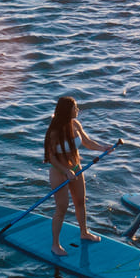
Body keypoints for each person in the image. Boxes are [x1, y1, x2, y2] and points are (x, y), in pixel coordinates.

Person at [42, 95, 106, 255]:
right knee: (61, 208)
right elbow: (51, 157)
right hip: (59, 172)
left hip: (76, 168)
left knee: (80, 202)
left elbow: (88, 142)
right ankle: (55, 245)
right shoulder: (54, 132)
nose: (77, 110)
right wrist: (65, 171)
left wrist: (104, 148)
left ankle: (84, 232)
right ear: (66, 111)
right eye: (75, 107)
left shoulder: (75, 124)